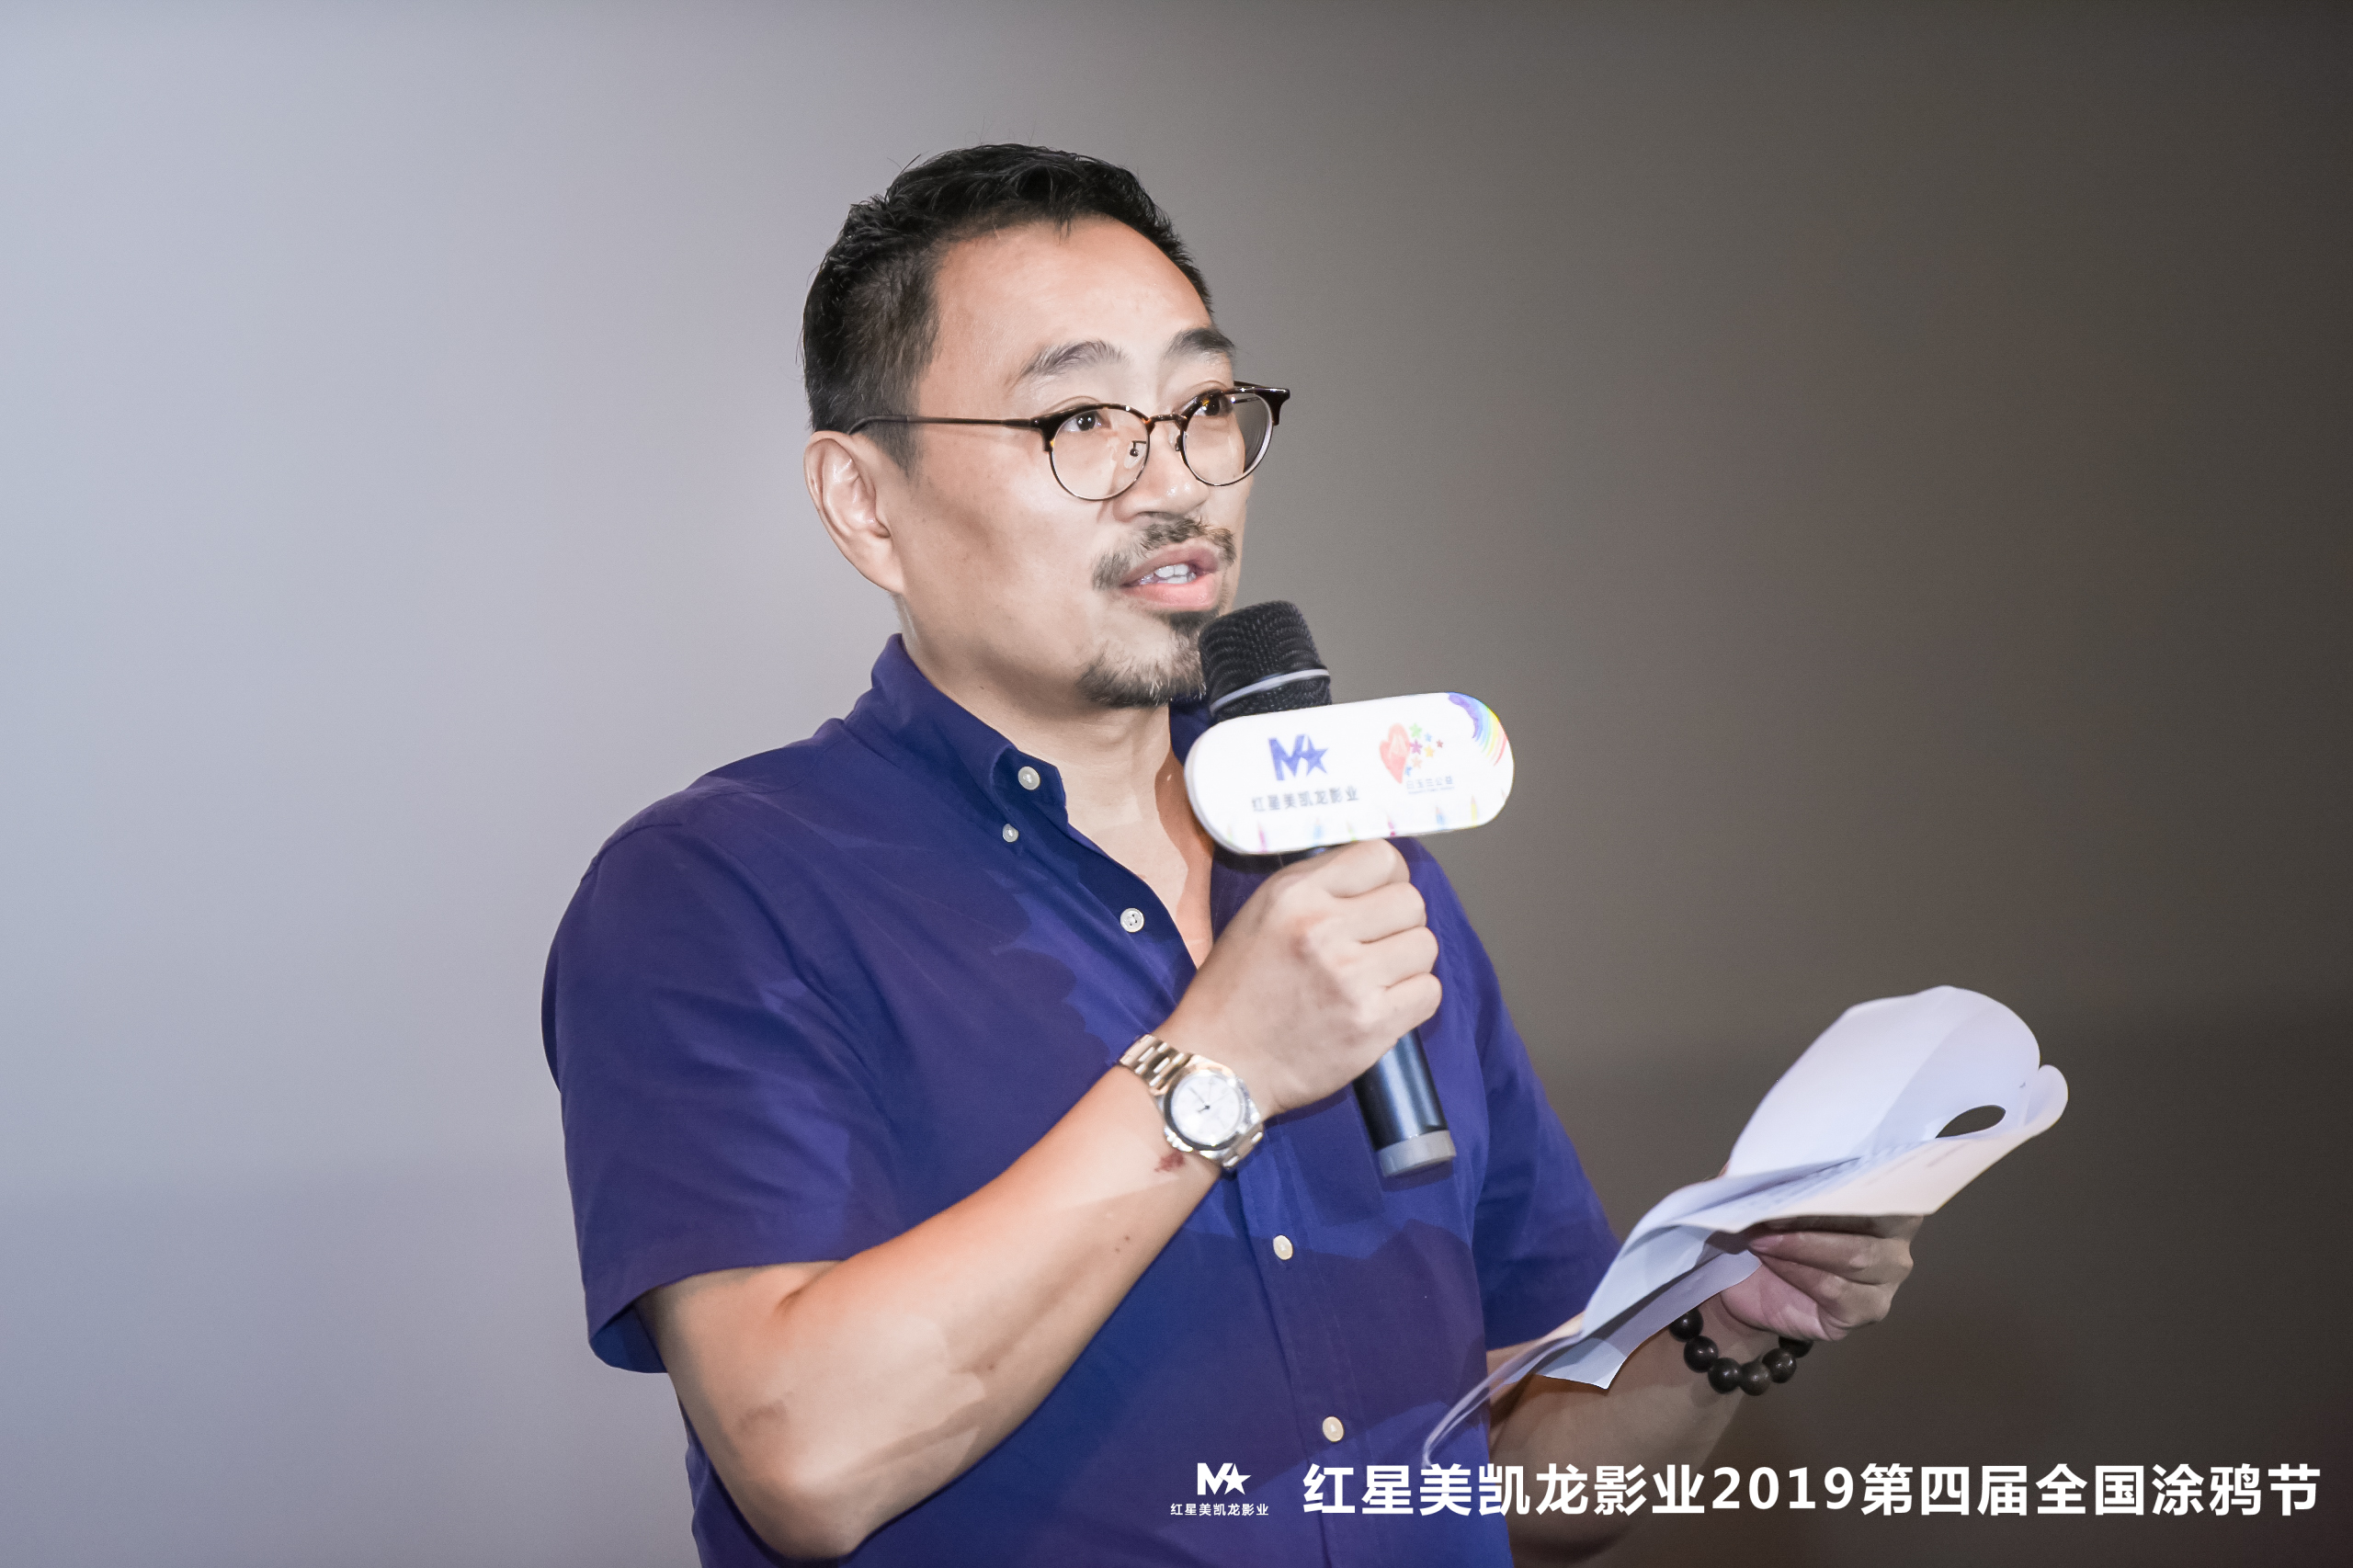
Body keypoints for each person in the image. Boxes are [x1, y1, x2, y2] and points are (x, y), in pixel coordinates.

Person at [543, 143, 1918, 1567]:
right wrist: (1221, 1069)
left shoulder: (1352, 868)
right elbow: (809, 1459)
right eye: (1082, 419)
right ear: (864, 501)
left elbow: (1513, 1483)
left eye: (1204, 407)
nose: (1178, 483)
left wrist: (1717, 1323)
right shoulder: (720, 892)